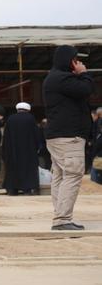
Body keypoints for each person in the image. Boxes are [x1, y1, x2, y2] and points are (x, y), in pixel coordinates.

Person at [43, 45, 95, 231]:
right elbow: (87, 89)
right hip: (68, 137)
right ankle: (62, 219)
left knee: (60, 176)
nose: (78, 63)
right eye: (75, 60)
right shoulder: (62, 78)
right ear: (68, 60)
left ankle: (60, 214)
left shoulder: (55, 77)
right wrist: (84, 73)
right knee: (73, 174)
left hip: (59, 136)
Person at [3, 103, 41, 195]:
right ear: (28, 110)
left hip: (13, 150)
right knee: (27, 168)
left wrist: (5, 150)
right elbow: (36, 134)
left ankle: (13, 189)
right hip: (28, 150)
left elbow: (6, 136)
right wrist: (38, 146)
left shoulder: (10, 119)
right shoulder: (30, 118)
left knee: (13, 168)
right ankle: (27, 189)